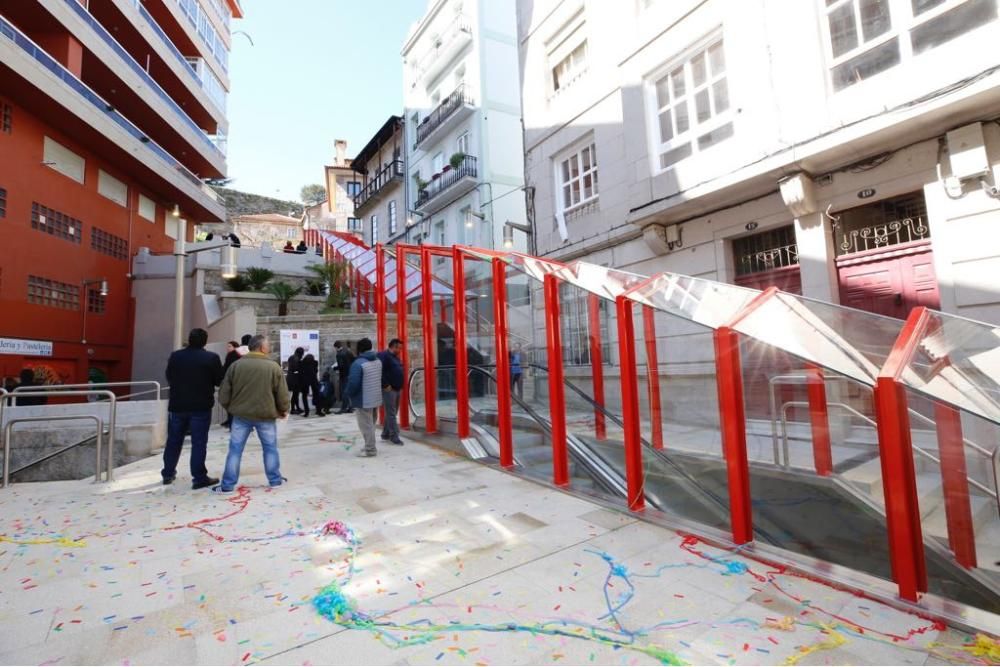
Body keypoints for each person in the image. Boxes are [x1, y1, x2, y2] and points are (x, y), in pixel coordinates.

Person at [215, 335, 290, 493]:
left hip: (241, 415)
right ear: (262, 348)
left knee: (235, 450)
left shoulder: (236, 366)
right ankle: (275, 480)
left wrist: (232, 407)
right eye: (268, 345)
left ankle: (227, 485)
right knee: (270, 448)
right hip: (266, 416)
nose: (269, 348)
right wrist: (283, 410)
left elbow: (223, 394)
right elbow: (282, 394)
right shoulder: (273, 367)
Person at [161, 328, 223, 489]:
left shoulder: (176, 356)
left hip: (177, 405)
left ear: (189, 340)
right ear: (205, 341)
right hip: (200, 406)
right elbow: (219, 380)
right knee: (199, 442)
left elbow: (169, 376)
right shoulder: (211, 358)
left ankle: (168, 473)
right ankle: (199, 477)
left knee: (173, 441)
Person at [346, 338, 382, 457]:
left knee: (366, 425)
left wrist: (347, 394)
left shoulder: (358, 364)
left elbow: (353, 383)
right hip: (375, 397)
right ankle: (369, 446)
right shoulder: (378, 360)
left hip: (363, 399)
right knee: (371, 424)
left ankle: (370, 449)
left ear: (359, 349)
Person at [377, 338, 404, 446]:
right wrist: (385, 384)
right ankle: (394, 436)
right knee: (391, 413)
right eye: (399, 348)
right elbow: (380, 371)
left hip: (397, 388)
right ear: (394, 346)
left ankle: (385, 433)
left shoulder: (395, 358)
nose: (400, 350)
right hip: (389, 389)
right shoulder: (383, 356)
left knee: (392, 413)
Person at [220, 340, 241, 429]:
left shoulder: (232, 356)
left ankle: (231, 422)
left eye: (229, 346)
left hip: (232, 383)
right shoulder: (238, 355)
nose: (227, 348)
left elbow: (226, 369)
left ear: (235, 347)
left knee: (231, 403)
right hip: (237, 383)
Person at [333, 341, 355, 414]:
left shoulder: (339, 354)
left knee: (344, 392)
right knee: (348, 391)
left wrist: (335, 368)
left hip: (344, 375)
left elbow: (341, 366)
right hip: (350, 374)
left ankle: (343, 408)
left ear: (336, 347)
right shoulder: (348, 351)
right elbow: (353, 360)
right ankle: (350, 407)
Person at [298, 353, 320, 417]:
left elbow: (300, 373)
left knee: (304, 396)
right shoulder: (315, 363)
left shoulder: (302, 363)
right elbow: (316, 371)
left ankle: (306, 412)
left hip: (305, 381)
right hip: (313, 379)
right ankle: (318, 410)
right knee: (316, 394)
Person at [286, 347, 304, 414]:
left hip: (291, 378)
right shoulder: (296, 359)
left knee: (295, 394)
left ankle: (296, 408)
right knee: (295, 395)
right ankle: (293, 409)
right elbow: (296, 369)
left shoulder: (292, 357)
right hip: (295, 379)